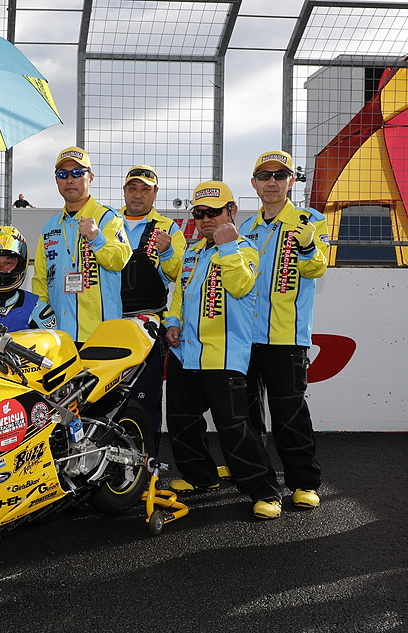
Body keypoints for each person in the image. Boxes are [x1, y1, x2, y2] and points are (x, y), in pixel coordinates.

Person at [163, 180, 283, 520]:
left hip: (224, 356)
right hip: (185, 353)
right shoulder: (191, 252)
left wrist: (227, 247)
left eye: (213, 212)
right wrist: (172, 322)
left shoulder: (245, 249)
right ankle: (201, 477)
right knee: (182, 422)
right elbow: (180, 295)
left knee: (234, 430)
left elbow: (241, 285)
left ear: (232, 211)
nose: (205, 220)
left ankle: (266, 492)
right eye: (199, 214)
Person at [240, 150, 329, 510]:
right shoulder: (245, 227)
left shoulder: (311, 220)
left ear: (291, 181)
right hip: (244, 338)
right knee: (246, 416)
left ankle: (304, 483)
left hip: (286, 337)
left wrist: (306, 246)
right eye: (265, 176)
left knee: (289, 415)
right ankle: (260, 485)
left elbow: (317, 268)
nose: (272, 182)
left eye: (280, 175)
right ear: (254, 183)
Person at [118, 164, 186, 455]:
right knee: (106, 401)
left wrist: (168, 251)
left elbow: (179, 275)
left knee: (146, 400)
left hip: (149, 326)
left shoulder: (169, 228)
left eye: (145, 189)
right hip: (108, 325)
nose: (138, 194)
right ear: (124, 191)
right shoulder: (108, 223)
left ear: (155, 193)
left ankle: (147, 465)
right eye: (133, 188)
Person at [32, 146, 131, 344]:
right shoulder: (49, 227)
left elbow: (119, 260)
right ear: (56, 180)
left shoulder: (108, 218)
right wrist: (41, 320)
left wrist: (96, 238)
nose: (70, 179)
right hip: (58, 336)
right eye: (63, 174)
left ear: (90, 178)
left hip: (100, 336)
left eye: (77, 173)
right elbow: (41, 280)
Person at [0, 226, 56, 331]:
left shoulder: (37, 309)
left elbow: (53, 340)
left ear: (20, 264)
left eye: (8, 263)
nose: (2, 270)